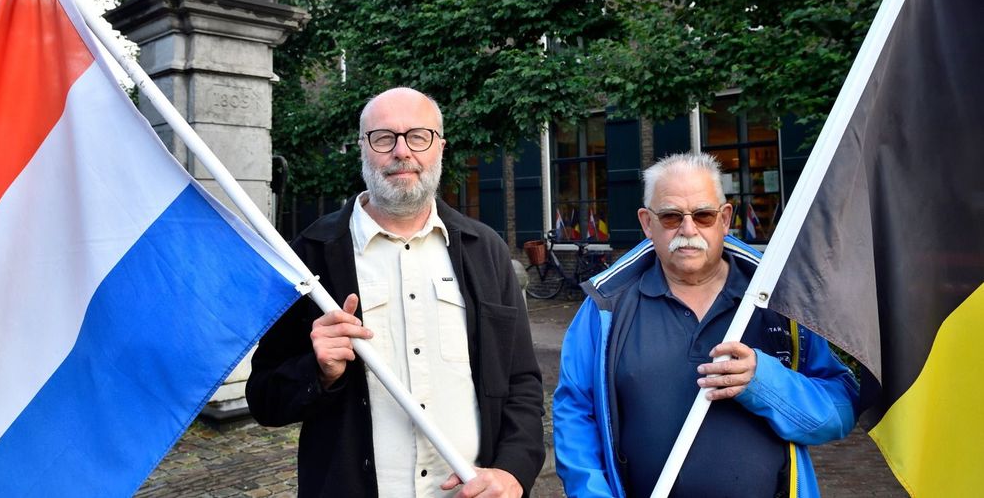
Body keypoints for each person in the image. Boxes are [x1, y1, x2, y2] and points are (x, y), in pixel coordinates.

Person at [246, 87, 544, 498]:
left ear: (440, 147)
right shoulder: (310, 255)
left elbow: (522, 380)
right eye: (383, 138)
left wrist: (513, 470)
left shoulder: (486, 249)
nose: (401, 151)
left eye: (418, 136)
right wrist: (318, 371)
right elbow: (264, 398)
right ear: (362, 149)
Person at [553, 152, 859, 497]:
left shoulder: (780, 301)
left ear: (725, 219)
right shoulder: (606, 306)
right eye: (670, 217)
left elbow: (841, 409)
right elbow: (575, 414)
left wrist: (765, 383)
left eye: (703, 215)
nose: (688, 229)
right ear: (646, 223)